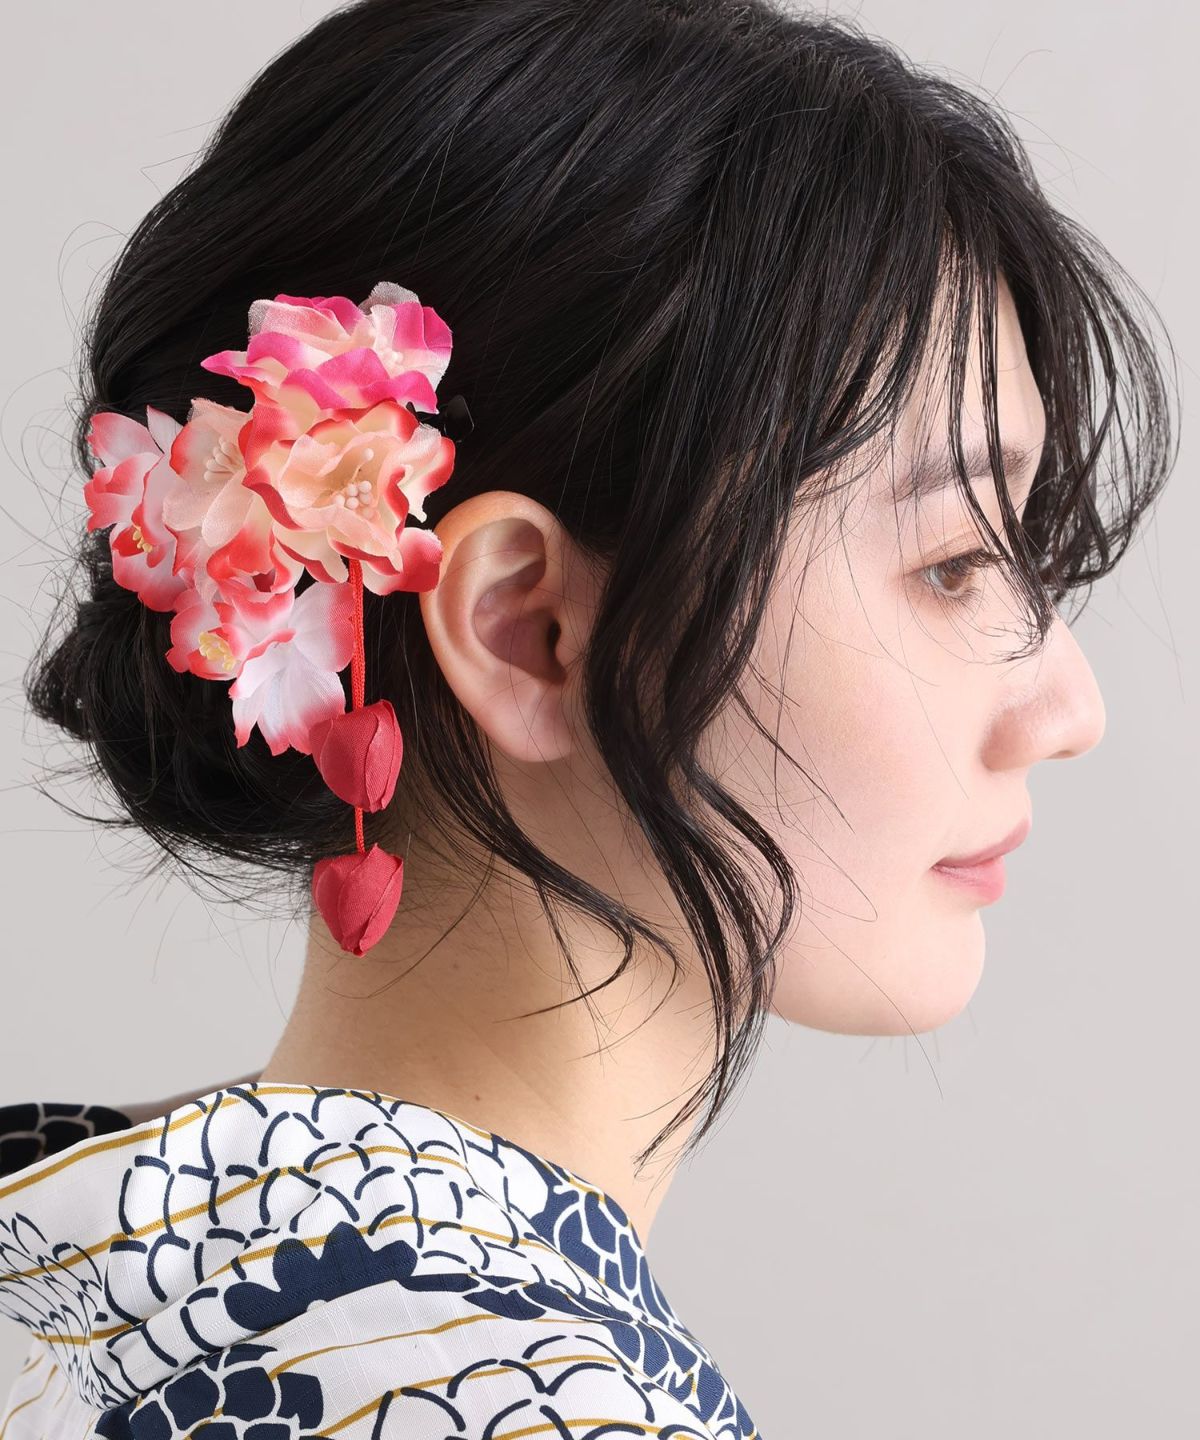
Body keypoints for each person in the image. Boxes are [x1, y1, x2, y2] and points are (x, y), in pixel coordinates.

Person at [0, 0, 1177, 1437]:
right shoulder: (528, 1404)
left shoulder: (52, 1263)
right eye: (949, 565)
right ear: (527, 628)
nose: (1068, 707)